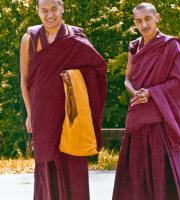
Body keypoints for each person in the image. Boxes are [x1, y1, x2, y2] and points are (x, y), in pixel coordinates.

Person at [20, 0, 107, 199]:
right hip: (42, 111)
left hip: (72, 112)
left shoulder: (75, 38)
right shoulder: (30, 39)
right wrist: (30, 114)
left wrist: (73, 76)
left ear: (62, 8)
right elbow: (25, 81)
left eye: (54, 9)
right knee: (47, 163)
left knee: (73, 162)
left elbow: (98, 70)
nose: (50, 15)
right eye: (44, 11)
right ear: (37, 12)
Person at [112, 2, 180, 200]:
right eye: (139, 21)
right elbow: (127, 79)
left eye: (148, 19)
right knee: (135, 170)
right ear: (135, 23)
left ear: (157, 18)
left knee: (161, 168)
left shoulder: (170, 45)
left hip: (160, 117)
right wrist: (136, 93)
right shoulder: (134, 46)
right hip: (138, 113)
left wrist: (151, 93)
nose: (144, 25)